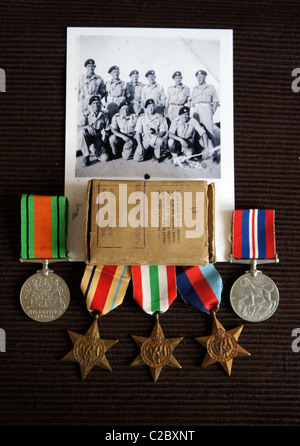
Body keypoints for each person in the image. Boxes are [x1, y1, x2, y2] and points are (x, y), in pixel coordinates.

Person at [77, 95, 110, 166]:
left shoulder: (104, 115)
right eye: (94, 103)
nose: (96, 105)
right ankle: (86, 156)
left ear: (100, 104)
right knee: (81, 133)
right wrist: (88, 126)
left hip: (97, 138)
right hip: (87, 136)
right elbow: (78, 128)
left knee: (105, 158)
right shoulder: (86, 114)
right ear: (90, 105)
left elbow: (107, 130)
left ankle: (94, 150)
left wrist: (104, 144)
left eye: (98, 103)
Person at [191, 70, 219, 144]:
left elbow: (216, 101)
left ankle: (213, 151)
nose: (199, 79)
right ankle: (201, 149)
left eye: (201, 77)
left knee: (209, 130)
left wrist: (212, 112)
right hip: (196, 111)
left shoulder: (210, 88)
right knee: (197, 130)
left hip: (206, 110)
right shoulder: (194, 89)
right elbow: (192, 102)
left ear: (205, 77)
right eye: (198, 77)